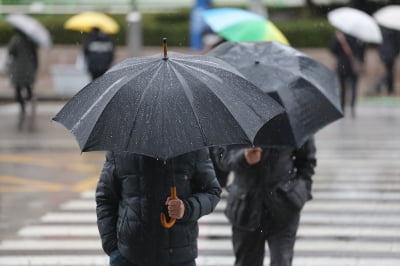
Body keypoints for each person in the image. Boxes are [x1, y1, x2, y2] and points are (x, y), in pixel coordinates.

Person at [96, 148, 222, 266]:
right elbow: (105, 197)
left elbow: (212, 191)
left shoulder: (192, 149)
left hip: (179, 256)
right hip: (129, 255)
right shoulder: (120, 148)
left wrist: (186, 207)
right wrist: (112, 247)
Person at [212, 138, 317, 266]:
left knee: (281, 261)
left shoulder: (291, 119)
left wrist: (299, 193)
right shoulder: (234, 121)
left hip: (284, 207)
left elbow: (307, 161)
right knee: (247, 262)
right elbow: (221, 157)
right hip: (246, 207)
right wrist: (243, 157)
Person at [7, 28, 39, 131]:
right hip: (28, 69)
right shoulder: (30, 40)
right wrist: (35, 67)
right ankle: (31, 101)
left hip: (18, 70)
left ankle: (23, 107)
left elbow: (10, 52)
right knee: (28, 88)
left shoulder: (15, 40)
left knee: (17, 90)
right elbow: (35, 55)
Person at [330, 30, 366, 117]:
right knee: (353, 87)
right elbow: (362, 51)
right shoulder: (358, 37)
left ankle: (342, 107)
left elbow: (332, 50)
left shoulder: (340, 37)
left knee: (343, 88)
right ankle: (352, 107)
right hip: (354, 66)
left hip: (342, 65)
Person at [374, 26, 400, 95]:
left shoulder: (383, 31)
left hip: (384, 54)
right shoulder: (395, 31)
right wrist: (396, 53)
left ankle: (389, 88)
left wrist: (381, 53)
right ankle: (385, 87)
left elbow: (379, 43)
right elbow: (397, 43)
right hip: (391, 54)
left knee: (389, 72)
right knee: (390, 73)